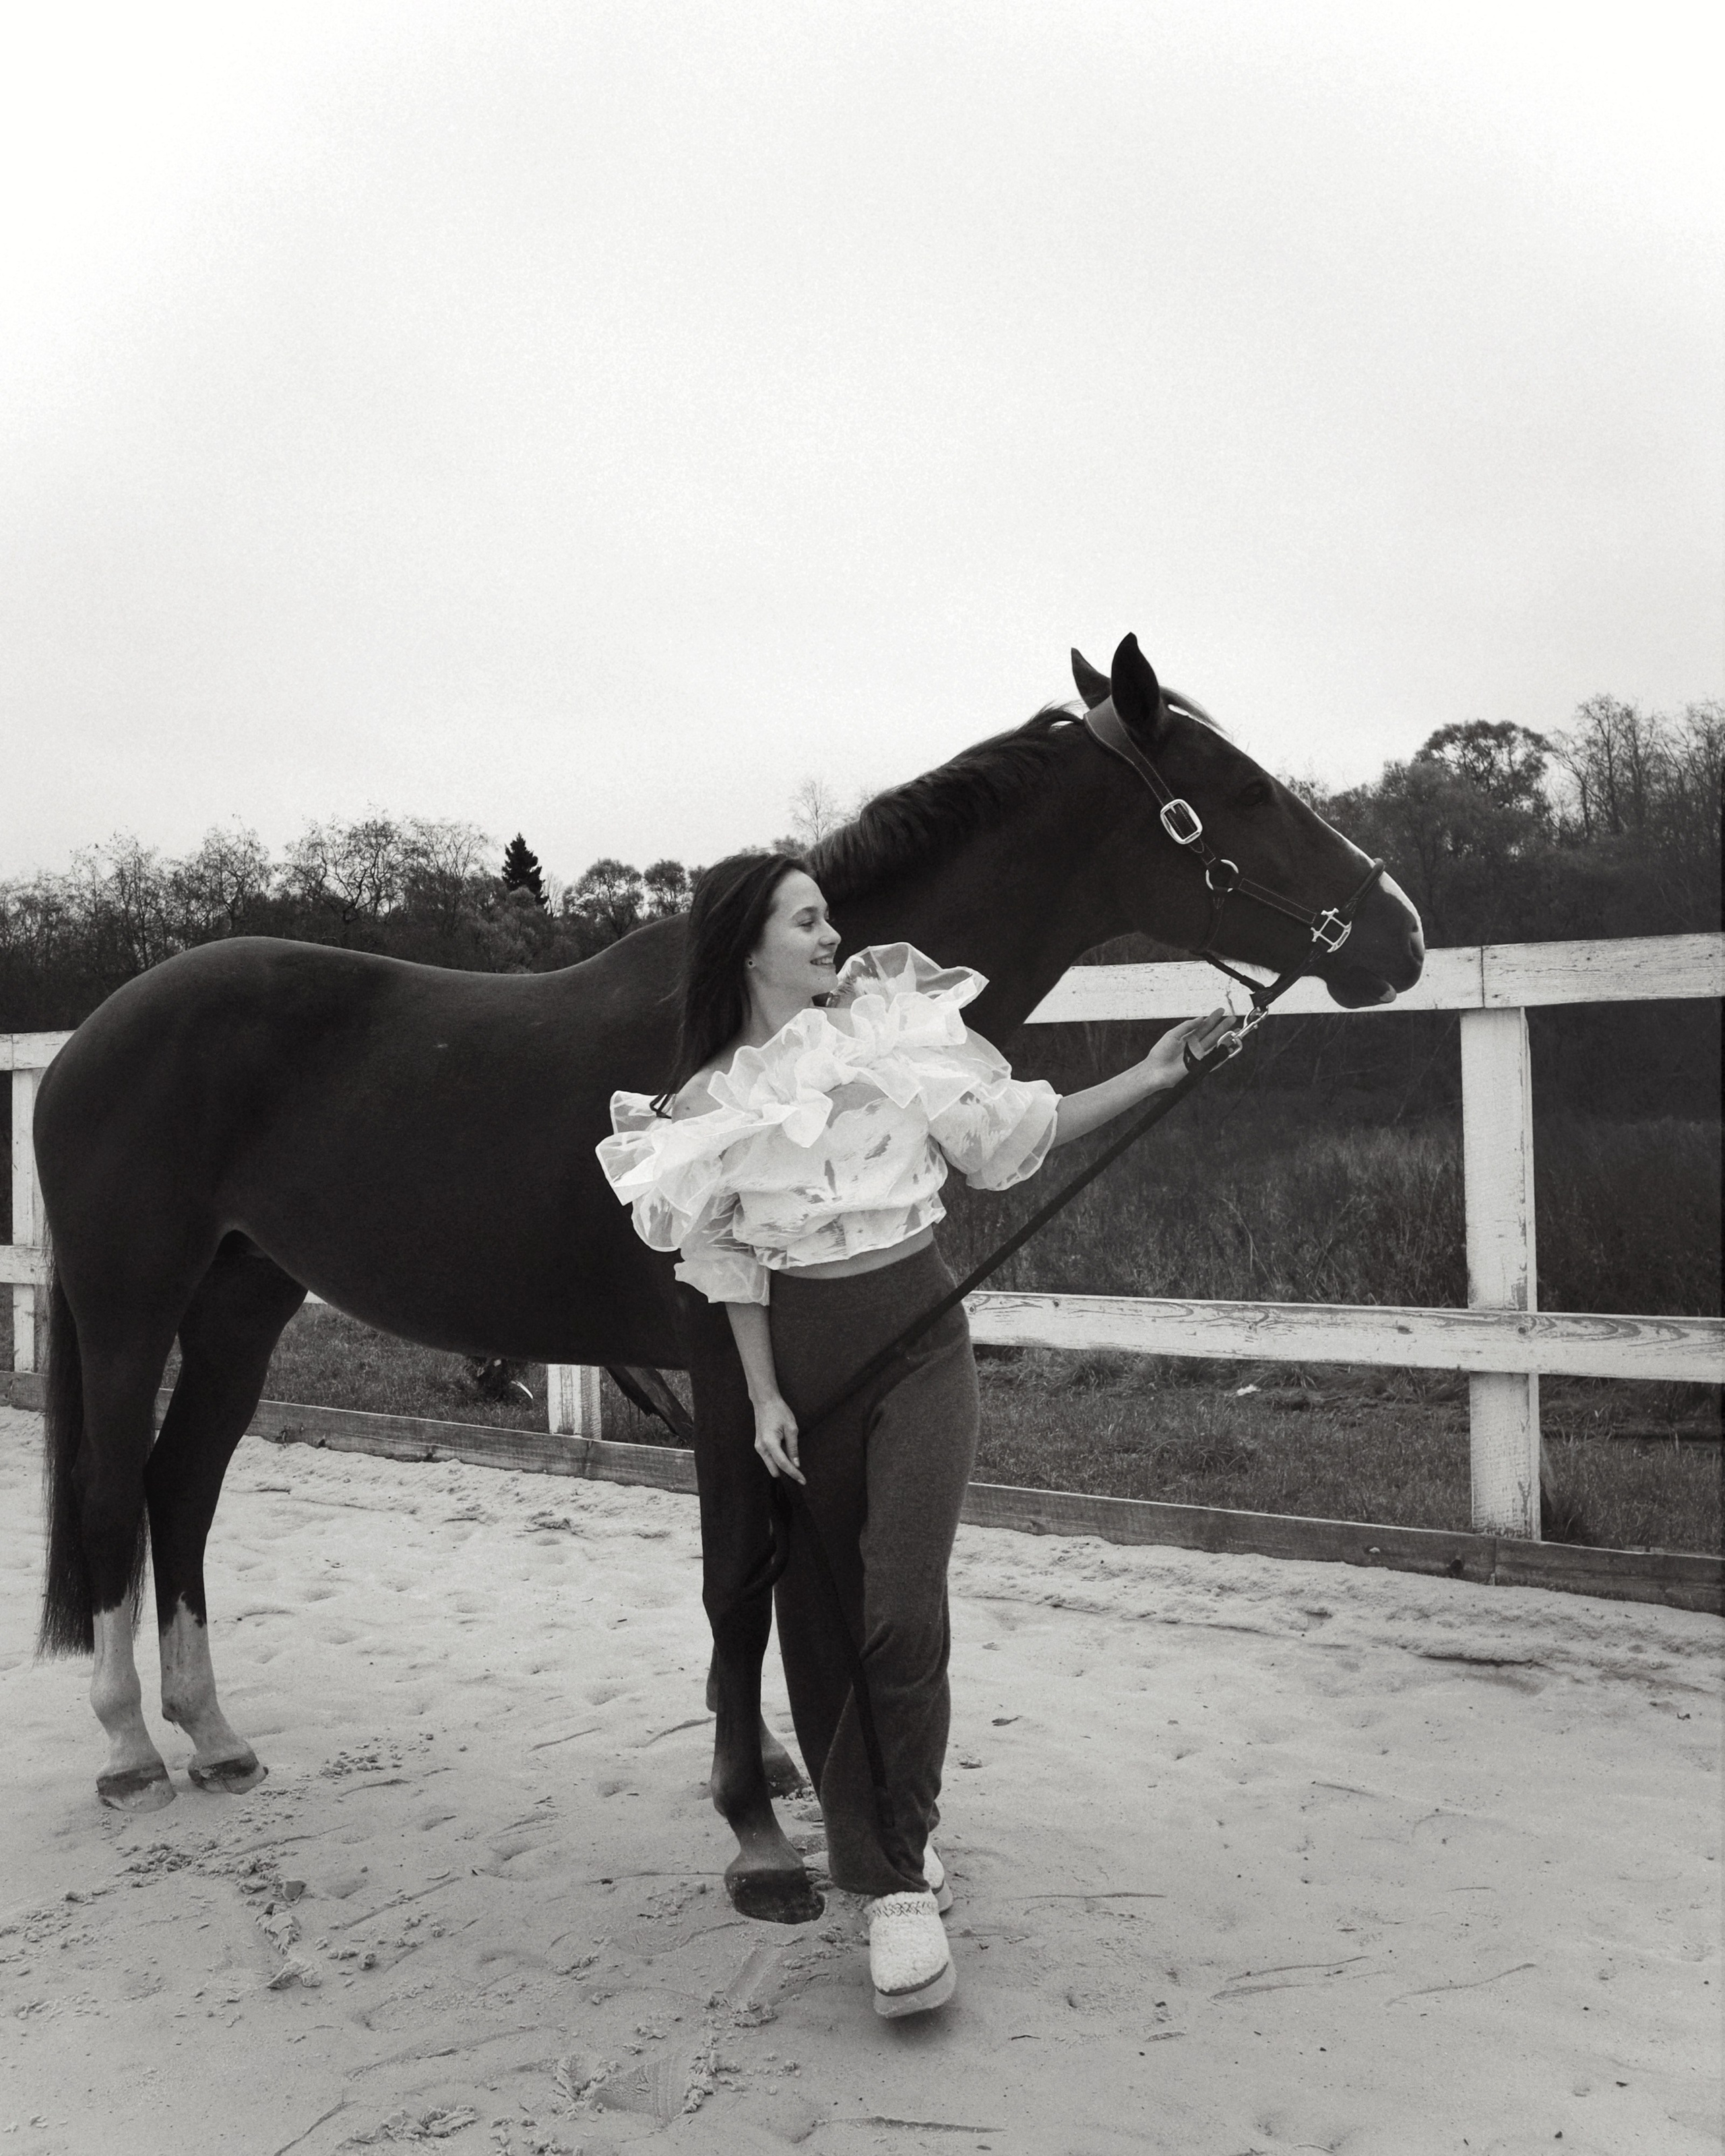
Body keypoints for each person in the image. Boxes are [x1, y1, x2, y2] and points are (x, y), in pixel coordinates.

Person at [597, 851, 1234, 2018]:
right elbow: (730, 1260)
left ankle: (893, 1890)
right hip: (806, 1361)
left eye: (828, 915)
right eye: (808, 920)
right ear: (751, 947)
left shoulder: (892, 1038)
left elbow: (1007, 1133)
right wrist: (767, 1397)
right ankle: (891, 1842)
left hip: (920, 1335)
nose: (831, 934)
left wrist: (1153, 1073)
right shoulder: (712, 1103)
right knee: (829, 1615)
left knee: (900, 1606)